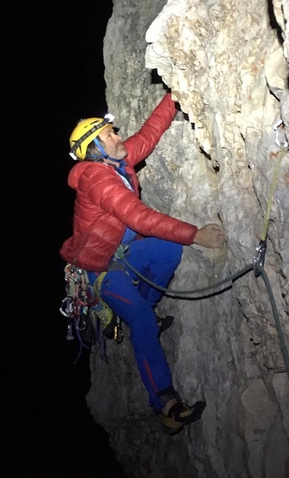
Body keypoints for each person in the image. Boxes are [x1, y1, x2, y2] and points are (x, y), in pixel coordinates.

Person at [60, 91, 225, 434]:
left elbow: (149, 135)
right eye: (110, 135)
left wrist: (174, 95)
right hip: (100, 271)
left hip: (123, 253)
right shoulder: (96, 177)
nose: (118, 136)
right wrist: (194, 234)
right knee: (144, 323)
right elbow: (138, 217)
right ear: (95, 148)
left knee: (169, 251)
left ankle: (145, 310)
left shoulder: (116, 162)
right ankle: (166, 404)